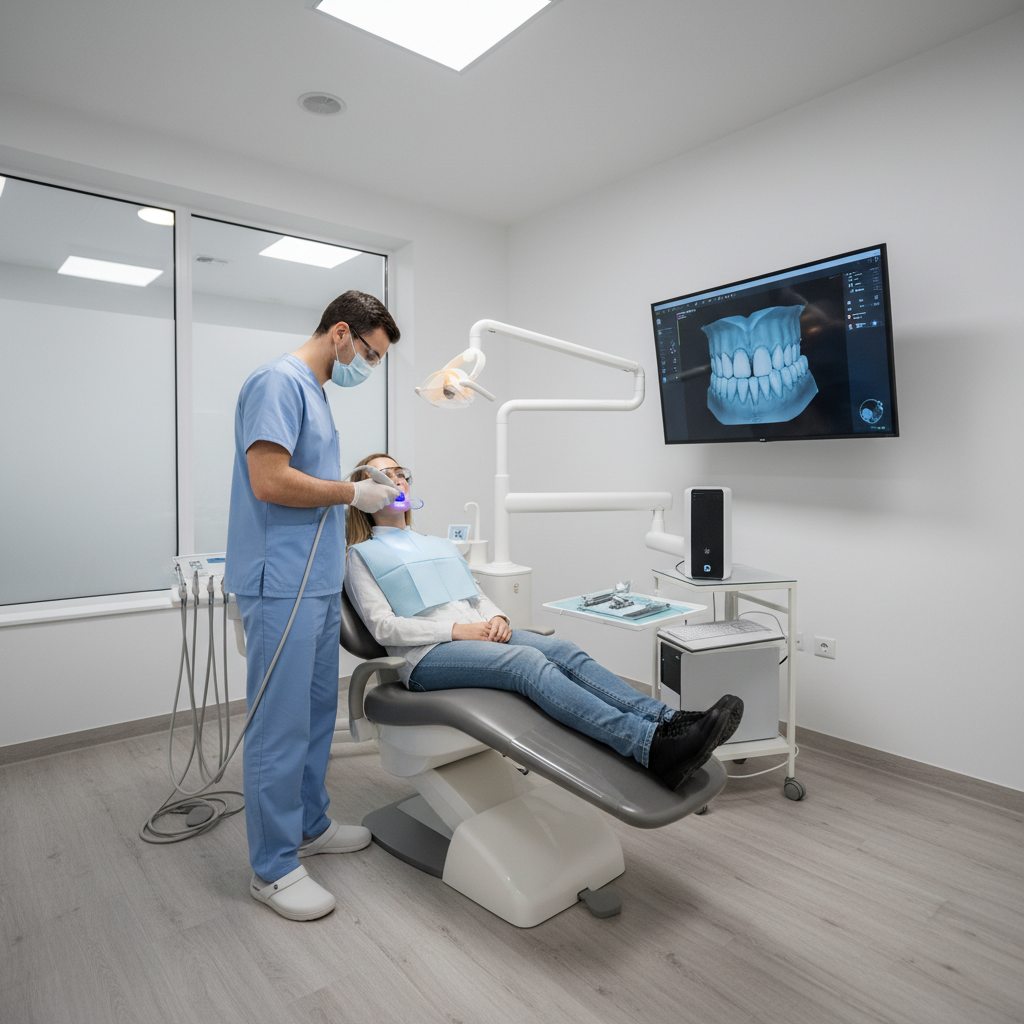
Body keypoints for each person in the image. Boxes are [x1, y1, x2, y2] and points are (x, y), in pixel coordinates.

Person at [344, 454, 743, 793]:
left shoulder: (436, 544)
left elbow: (475, 594)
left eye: (400, 472)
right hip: (426, 656)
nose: (396, 479)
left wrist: (497, 616)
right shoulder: (361, 556)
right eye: (382, 475)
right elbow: (384, 628)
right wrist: (455, 631)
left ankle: (667, 720)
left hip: (479, 635)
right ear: (364, 493)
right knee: (527, 664)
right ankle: (647, 746)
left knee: (563, 651)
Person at [224, 291, 402, 923]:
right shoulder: (278, 381)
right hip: (281, 582)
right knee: (279, 724)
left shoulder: (316, 393)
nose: (370, 368)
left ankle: (309, 825)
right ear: (341, 334)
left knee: (316, 710)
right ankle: (272, 869)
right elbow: (269, 481)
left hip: (318, 582)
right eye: (372, 356)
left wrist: (363, 492)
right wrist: (353, 488)